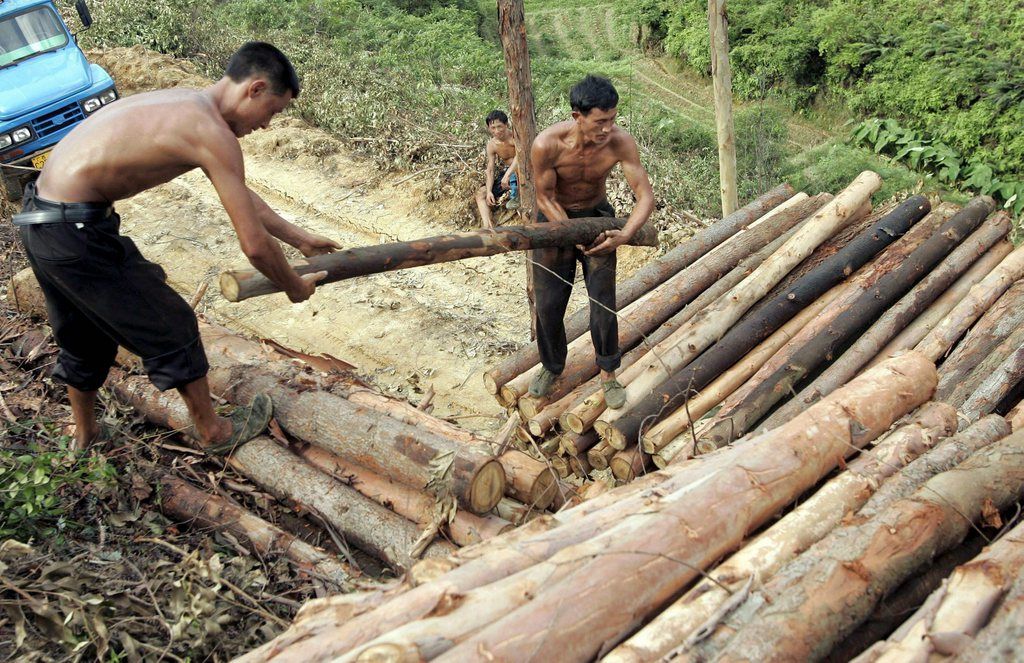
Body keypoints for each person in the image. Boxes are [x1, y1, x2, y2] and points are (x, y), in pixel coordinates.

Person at [14, 42, 340, 453]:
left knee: (83, 337)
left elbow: (239, 193)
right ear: (255, 89)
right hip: (75, 232)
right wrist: (293, 285)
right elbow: (255, 247)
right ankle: (214, 433)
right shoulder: (211, 132)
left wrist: (300, 238)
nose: (267, 125)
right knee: (173, 325)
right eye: (273, 111)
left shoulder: (187, 106)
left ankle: (84, 435)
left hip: (41, 221)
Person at [527, 75, 655, 409]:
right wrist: (571, 234)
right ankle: (552, 365)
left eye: (612, 120)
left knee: (602, 300)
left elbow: (644, 195)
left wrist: (625, 233)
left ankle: (609, 372)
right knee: (549, 303)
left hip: (598, 217)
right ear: (577, 117)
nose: (607, 129)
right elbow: (544, 197)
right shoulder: (547, 144)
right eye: (600, 122)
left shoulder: (619, 142)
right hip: (554, 220)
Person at [474, 109, 519, 228]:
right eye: (493, 127)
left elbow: (521, 156)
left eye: (500, 126)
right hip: (508, 174)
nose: (496, 131)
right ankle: (487, 227)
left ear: (506, 125)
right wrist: (489, 191)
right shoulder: (492, 145)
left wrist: (508, 174)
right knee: (481, 194)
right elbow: (490, 170)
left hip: (524, 172)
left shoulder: (515, 136)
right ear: (489, 128)